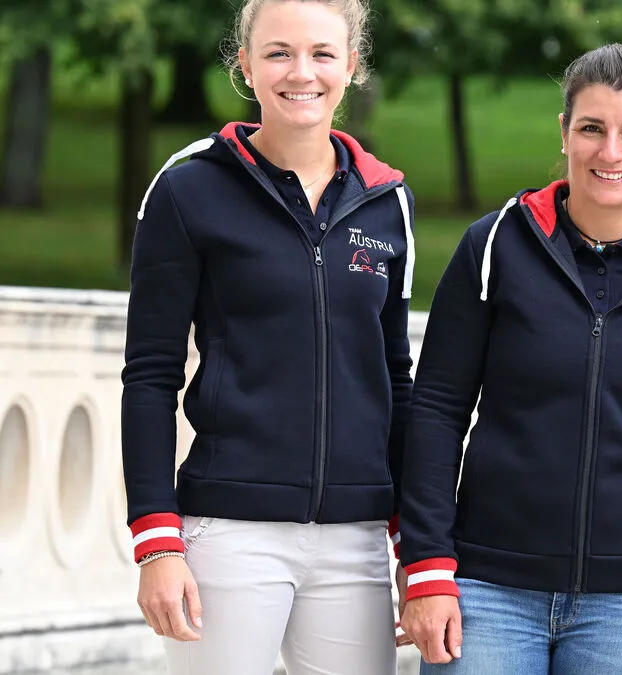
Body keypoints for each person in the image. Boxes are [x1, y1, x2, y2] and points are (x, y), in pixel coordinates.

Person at [396, 43, 622, 675]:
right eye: (591, 128)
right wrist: (427, 564)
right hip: (488, 589)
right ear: (564, 133)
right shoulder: (495, 246)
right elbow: (438, 409)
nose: (611, 152)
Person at [120, 0, 415, 672]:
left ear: (352, 66)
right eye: (278, 53)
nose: (300, 72)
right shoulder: (188, 190)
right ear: (246, 66)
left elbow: (395, 378)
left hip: (356, 537)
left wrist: (414, 541)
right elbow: (151, 374)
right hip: (230, 531)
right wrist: (156, 540)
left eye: (322, 54)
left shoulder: (386, 200)